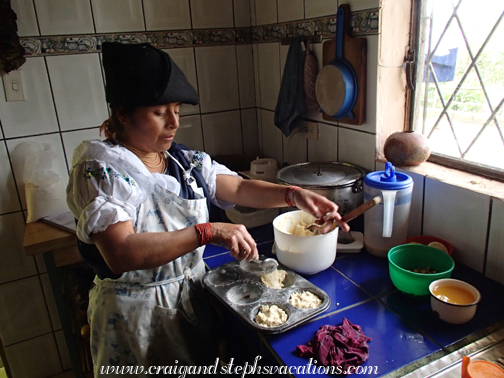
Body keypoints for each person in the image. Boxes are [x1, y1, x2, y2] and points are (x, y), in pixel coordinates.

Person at [66, 42, 350, 376]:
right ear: (123, 113)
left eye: (176, 109)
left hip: (189, 306)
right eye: (159, 112)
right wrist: (208, 231)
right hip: (133, 319)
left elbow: (240, 187)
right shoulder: (100, 169)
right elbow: (122, 252)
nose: (174, 122)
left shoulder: (182, 162)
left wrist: (295, 195)